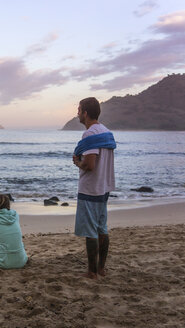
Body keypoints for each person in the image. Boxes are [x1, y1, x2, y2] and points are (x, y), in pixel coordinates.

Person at [72, 97, 116, 279]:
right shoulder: (106, 132)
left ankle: (91, 272)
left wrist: (78, 162)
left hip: (91, 188)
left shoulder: (90, 134)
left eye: (79, 110)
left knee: (91, 232)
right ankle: (101, 269)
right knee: (101, 228)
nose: (77, 113)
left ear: (86, 113)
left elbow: (90, 165)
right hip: (104, 186)